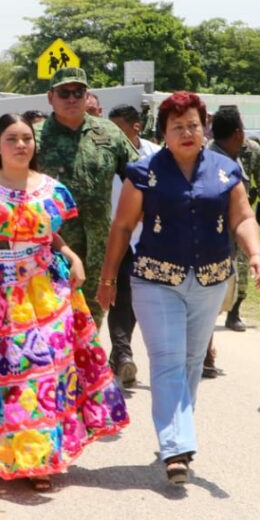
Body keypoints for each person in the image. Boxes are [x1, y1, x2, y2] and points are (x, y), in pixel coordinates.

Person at [0, 113, 129, 490]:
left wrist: (69, 253)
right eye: (12, 138)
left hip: (43, 291)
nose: (22, 145)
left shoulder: (53, 189)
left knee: (37, 374)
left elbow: (45, 232)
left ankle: (37, 459)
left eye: (27, 138)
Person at [97, 91, 260, 484]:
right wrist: (108, 279)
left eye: (193, 125)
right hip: (156, 280)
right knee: (169, 359)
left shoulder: (226, 171)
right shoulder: (143, 172)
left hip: (209, 280)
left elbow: (242, 217)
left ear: (203, 127)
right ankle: (176, 447)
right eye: (177, 127)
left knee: (192, 361)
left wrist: (255, 253)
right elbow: (122, 227)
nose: (187, 133)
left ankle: (177, 434)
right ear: (164, 132)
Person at [37, 67, 138, 324]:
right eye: (64, 93)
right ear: (51, 97)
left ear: (86, 95)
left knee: (91, 322)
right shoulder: (34, 138)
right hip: (50, 249)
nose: (71, 98)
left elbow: (139, 177)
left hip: (99, 250)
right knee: (52, 321)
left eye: (78, 92)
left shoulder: (109, 133)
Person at [106, 104, 160, 387]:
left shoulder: (155, 154)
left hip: (149, 237)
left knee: (140, 299)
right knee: (120, 295)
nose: (112, 135)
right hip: (117, 235)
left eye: (118, 128)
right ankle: (124, 353)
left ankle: (119, 355)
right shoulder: (105, 155)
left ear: (135, 127)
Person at [209, 106, 260, 333]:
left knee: (243, 262)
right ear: (238, 131)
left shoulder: (251, 150)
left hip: (243, 214)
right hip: (219, 220)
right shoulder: (209, 153)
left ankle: (235, 310)